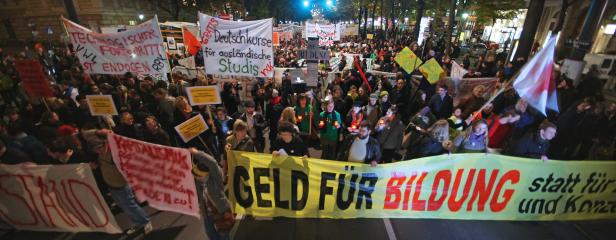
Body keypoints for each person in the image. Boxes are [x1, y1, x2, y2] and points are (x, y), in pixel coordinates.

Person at [81, 128, 153, 234]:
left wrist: (103, 132)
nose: (99, 150)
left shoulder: (115, 151)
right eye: (95, 149)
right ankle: (138, 223)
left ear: (105, 143)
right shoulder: (98, 154)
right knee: (124, 207)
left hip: (122, 184)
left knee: (130, 205)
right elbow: (84, 134)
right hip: (111, 184)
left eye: (100, 147)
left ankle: (145, 222)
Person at [190, 148, 234, 240]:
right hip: (208, 213)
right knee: (210, 233)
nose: (196, 177)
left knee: (223, 235)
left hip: (221, 211)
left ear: (206, 174)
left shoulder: (216, 178)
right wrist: (200, 206)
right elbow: (200, 197)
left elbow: (212, 163)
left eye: (198, 175)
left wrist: (197, 153)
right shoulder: (199, 183)